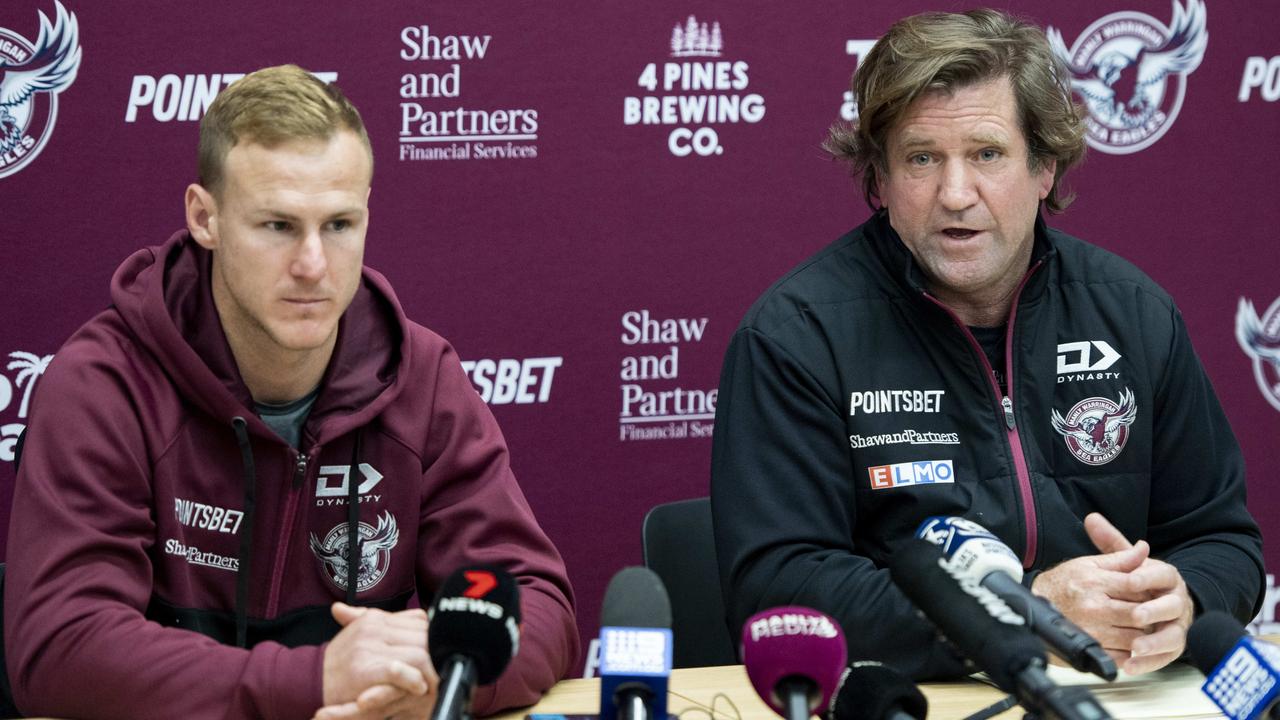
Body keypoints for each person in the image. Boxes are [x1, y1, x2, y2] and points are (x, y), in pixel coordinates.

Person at [3, 65, 578, 720]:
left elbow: (538, 606)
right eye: (277, 226)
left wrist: (442, 680)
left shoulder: (419, 377)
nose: (312, 265)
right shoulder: (107, 386)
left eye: (338, 225)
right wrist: (315, 681)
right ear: (204, 218)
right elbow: (60, 646)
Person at [710, 9, 1262, 680]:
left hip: (1114, 692)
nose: (955, 193)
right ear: (880, 181)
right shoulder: (796, 336)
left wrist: (1182, 598)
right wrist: (1021, 612)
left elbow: (1222, 539)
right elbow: (778, 590)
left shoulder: (1134, 313)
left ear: (1044, 168)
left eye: (987, 154)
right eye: (921, 159)